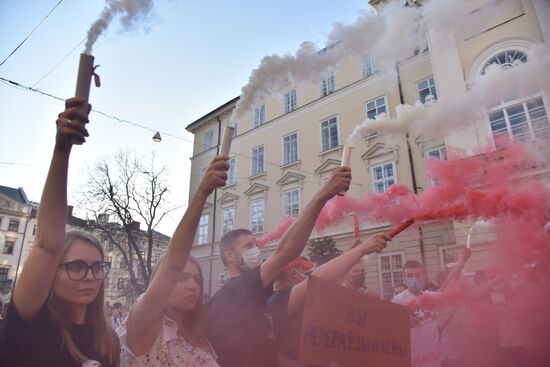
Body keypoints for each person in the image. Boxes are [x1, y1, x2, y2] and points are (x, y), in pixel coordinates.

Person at [0, 98, 120, 367]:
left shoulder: (109, 340)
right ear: (51, 272)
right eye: (77, 266)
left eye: (97, 267)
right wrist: (62, 150)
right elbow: (47, 244)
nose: (91, 276)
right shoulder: (31, 324)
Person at [207, 167, 351, 367]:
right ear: (230, 256)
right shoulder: (236, 289)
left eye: (256, 245)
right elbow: (285, 251)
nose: (256, 251)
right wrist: (321, 197)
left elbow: (269, 351)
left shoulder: (256, 291)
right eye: (248, 246)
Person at [119, 155, 229, 367]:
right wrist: (202, 193)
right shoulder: (145, 326)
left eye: (197, 279)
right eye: (182, 278)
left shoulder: (197, 335)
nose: (192, 286)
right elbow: (172, 263)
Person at [267, 236, 388, 367]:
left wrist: (351, 254)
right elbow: (320, 279)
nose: (307, 277)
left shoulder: (280, 301)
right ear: (294, 274)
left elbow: (330, 284)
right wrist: (362, 249)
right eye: (306, 273)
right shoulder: (279, 298)